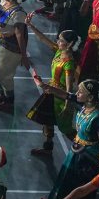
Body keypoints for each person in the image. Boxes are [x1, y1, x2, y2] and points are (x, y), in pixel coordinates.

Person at [36, 78, 99, 199]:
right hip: (76, 154)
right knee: (69, 185)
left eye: (81, 92)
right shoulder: (84, 105)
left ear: (90, 97)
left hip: (89, 160)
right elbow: (66, 95)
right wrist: (47, 87)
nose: (77, 93)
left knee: (86, 194)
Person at [25, 20, 79, 156]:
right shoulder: (59, 51)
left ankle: (84, 148)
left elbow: (69, 88)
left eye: (61, 40)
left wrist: (67, 105)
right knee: (47, 121)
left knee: (66, 128)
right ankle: (48, 148)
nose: (57, 41)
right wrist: (31, 26)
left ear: (69, 44)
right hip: (51, 92)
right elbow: (43, 39)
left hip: (60, 97)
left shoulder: (68, 63)